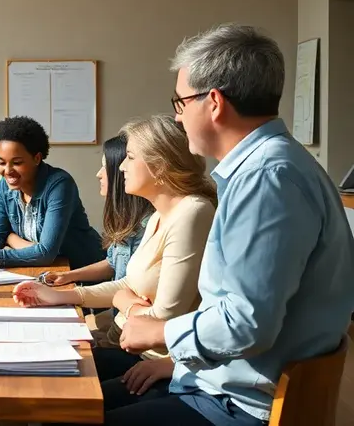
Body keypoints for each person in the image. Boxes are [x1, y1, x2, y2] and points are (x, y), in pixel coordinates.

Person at [116, 24, 354, 426]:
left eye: (180, 102)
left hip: (236, 407)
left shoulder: (267, 178)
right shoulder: (274, 167)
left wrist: (159, 333)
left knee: (69, 412)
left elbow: (246, 324)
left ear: (213, 103)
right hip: (219, 387)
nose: (178, 118)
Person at [14, 114, 217, 411]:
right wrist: (61, 296)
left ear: (159, 166)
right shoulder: (159, 213)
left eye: (130, 157)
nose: (120, 166)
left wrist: (125, 301)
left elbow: (164, 320)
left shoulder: (193, 213)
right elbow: (127, 285)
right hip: (138, 351)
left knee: (60, 405)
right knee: (42, 375)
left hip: (162, 363)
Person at [0, 116, 104, 270]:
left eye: (17, 163)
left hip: (83, 272)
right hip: (45, 272)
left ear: (37, 158)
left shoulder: (60, 185)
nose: (7, 171)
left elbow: (45, 253)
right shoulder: (4, 187)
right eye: (1, 162)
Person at [41, 133, 154, 287]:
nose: (98, 174)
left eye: (105, 167)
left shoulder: (148, 227)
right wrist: (68, 276)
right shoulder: (126, 219)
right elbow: (112, 263)